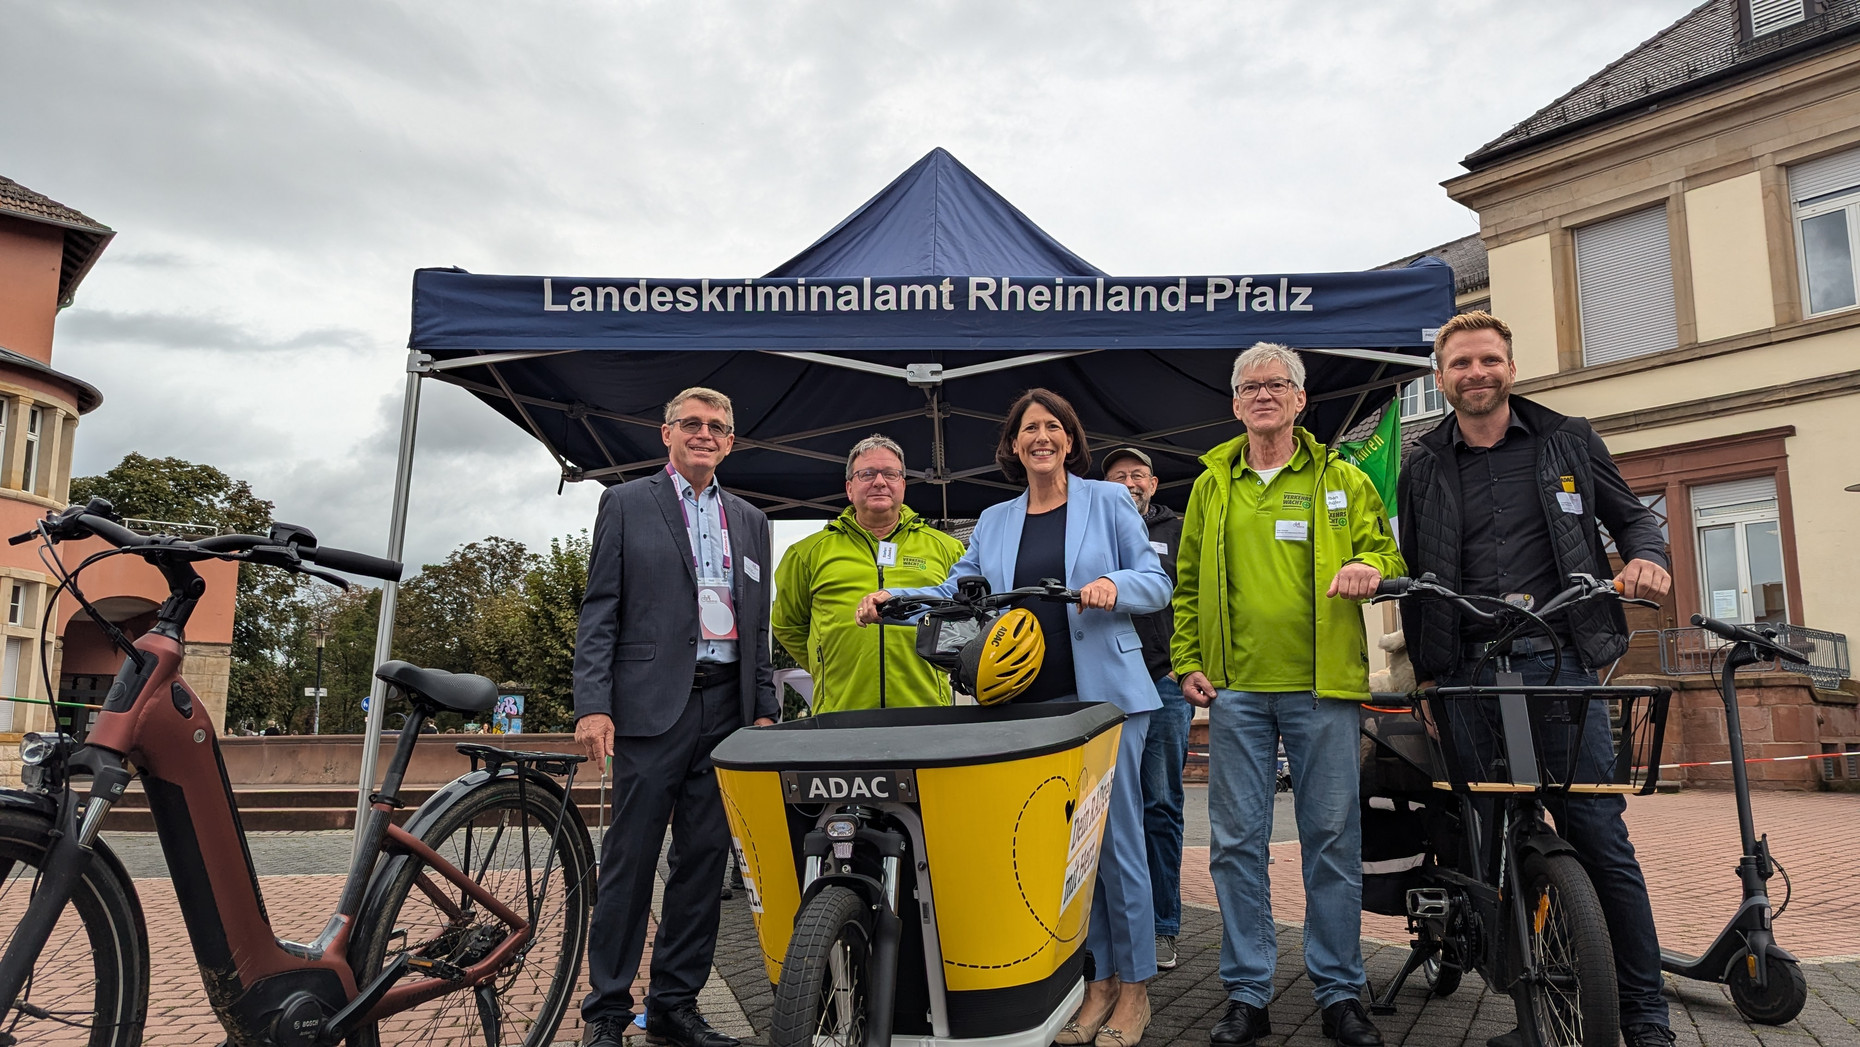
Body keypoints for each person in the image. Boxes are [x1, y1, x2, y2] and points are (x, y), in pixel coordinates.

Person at [857, 389, 1172, 1047]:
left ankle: (1136, 993)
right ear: (1014, 443)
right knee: (1070, 858)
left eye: (1052, 425)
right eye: (1030, 427)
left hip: (1108, 699)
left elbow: (1156, 580)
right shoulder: (996, 519)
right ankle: (1100, 984)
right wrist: (896, 599)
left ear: (1069, 438)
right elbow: (957, 593)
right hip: (1028, 702)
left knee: (1118, 850)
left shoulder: (1108, 500)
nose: (1042, 436)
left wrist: (1115, 586)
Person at [1395, 311, 1675, 1047]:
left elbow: (1634, 520)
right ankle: (1533, 1011)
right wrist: (1428, 679)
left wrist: (1647, 557)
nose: (1476, 372)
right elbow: (1422, 575)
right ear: (1441, 377)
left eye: (1489, 360)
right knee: (1487, 839)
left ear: (1511, 369)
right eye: (1460, 363)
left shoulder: (1568, 439)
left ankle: (1646, 1017)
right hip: (1466, 672)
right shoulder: (1421, 463)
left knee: (1598, 835)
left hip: (1561, 660)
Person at [1173, 343, 1404, 1047]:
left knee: (1331, 842)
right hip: (1236, 693)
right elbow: (1187, 584)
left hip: (1323, 689)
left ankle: (1339, 992)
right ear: (1236, 403)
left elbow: (1388, 555)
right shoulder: (1212, 485)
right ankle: (1248, 992)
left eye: (1277, 384)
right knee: (1235, 844)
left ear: (1302, 400)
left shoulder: (1343, 478)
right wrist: (1186, 660)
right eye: (1250, 386)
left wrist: (1369, 563)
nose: (1263, 394)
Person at [574, 386, 779, 1047]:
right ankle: (607, 1008)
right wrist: (594, 703)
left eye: (717, 426)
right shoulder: (627, 503)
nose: (703, 433)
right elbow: (600, 608)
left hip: (727, 708)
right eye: (690, 423)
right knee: (631, 858)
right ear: (667, 434)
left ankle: (674, 1006)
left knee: (702, 863)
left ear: (730, 442)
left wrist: (766, 709)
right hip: (649, 707)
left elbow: (758, 624)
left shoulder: (752, 520)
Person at [773, 434, 966, 713]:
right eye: (867, 474)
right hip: (841, 711)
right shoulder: (806, 553)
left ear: (902, 485)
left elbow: (965, 617)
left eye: (890, 474)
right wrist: (826, 665)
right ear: (850, 488)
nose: (879, 482)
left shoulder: (947, 548)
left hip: (925, 709)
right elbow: (787, 626)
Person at [1101, 446, 1191, 972]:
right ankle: (1108, 927)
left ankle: (1162, 926)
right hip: (1105, 688)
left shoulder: (1179, 529)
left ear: (1154, 484)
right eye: (1118, 476)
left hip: (1162, 684)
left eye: (1138, 475)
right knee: (1104, 810)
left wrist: (1189, 663)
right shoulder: (1090, 525)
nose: (1129, 482)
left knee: (1159, 807)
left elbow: (1200, 594)